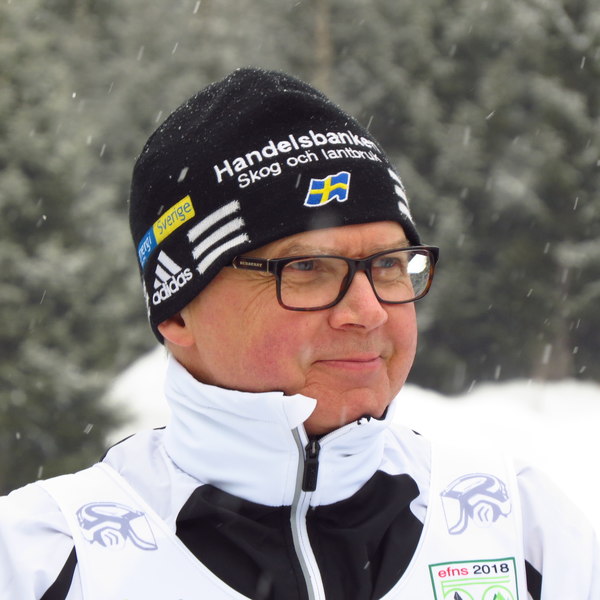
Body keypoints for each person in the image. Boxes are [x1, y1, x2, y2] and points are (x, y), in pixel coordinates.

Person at [0, 68, 598, 600]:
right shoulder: (46, 560)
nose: (368, 311)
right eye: (308, 267)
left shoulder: (519, 527)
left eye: (390, 265)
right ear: (177, 312)